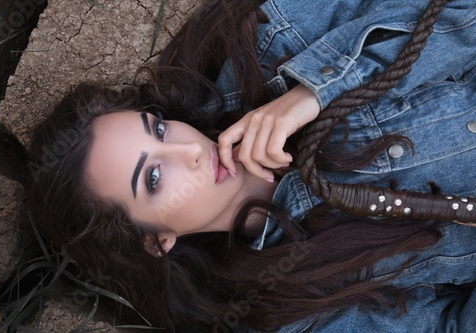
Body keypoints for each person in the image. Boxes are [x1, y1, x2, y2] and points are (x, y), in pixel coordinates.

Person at [26, 0, 476, 331]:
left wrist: (314, 92)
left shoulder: (269, 46)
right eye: (154, 177)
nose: (192, 151)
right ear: (155, 242)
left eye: (159, 129)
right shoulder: (286, 309)